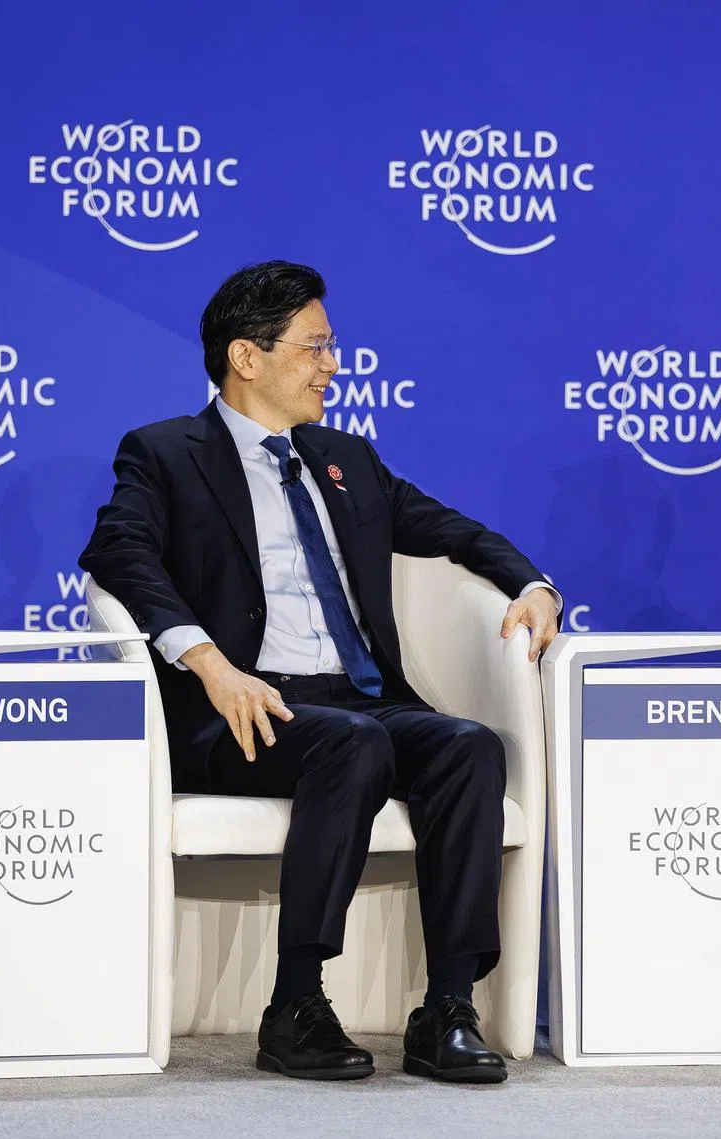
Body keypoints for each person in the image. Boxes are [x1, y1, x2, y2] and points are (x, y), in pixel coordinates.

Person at [80, 260, 561, 1084]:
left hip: (358, 699)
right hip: (240, 709)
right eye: (315, 348)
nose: (333, 366)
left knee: (468, 746)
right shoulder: (164, 453)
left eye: (331, 348)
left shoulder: (345, 458)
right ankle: (295, 1006)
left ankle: (447, 1010)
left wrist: (534, 585)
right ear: (247, 357)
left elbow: (455, 532)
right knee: (349, 745)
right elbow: (118, 551)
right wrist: (209, 663)